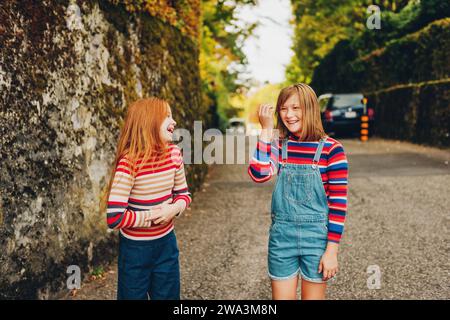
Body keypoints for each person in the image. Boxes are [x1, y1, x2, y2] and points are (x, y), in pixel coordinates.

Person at [248, 83, 348, 300]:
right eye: (283, 109)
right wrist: (266, 131)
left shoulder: (332, 149)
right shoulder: (280, 145)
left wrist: (332, 251)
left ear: (310, 108)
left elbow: (338, 205)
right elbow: (259, 174)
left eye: (296, 108)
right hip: (282, 237)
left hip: (317, 240)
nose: (289, 115)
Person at [104, 97, 191, 300]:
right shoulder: (130, 163)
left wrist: (172, 209)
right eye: (167, 116)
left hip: (166, 245)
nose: (174, 121)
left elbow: (184, 195)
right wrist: (152, 216)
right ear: (148, 121)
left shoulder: (174, 155)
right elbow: (114, 217)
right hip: (135, 250)